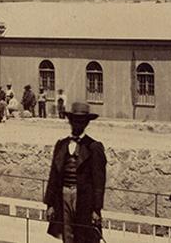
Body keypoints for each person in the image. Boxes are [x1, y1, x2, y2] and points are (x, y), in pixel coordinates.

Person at [44, 102, 106, 243]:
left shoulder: (94, 147)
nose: (77, 124)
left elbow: (99, 181)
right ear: (70, 121)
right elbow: (53, 175)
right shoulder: (61, 145)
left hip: (84, 198)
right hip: (63, 195)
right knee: (67, 234)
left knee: (84, 235)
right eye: (75, 120)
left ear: (86, 123)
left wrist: (96, 209)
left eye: (81, 121)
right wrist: (50, 204)